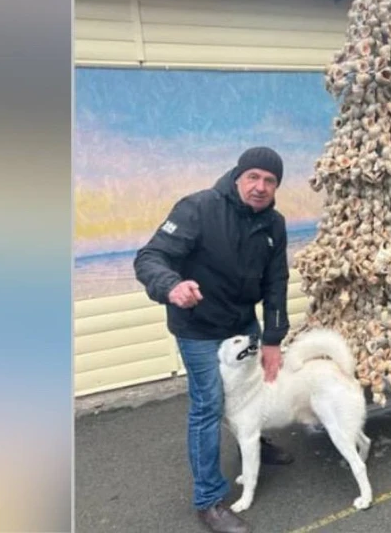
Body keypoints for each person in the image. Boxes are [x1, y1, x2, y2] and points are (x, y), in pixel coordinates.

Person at [134, 146, 292, 533]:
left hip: (243, 324)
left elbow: (276, 283)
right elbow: (150, 257)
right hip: (200, 328)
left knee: (254, 390)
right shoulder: (199, 208)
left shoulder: (273, 224)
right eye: (253, 177)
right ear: (237, 176)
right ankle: (209, 501)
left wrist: (273, 338)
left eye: (269, 181)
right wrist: (171, 286)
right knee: (209, 405)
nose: (260, 187)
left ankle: (250, 441)